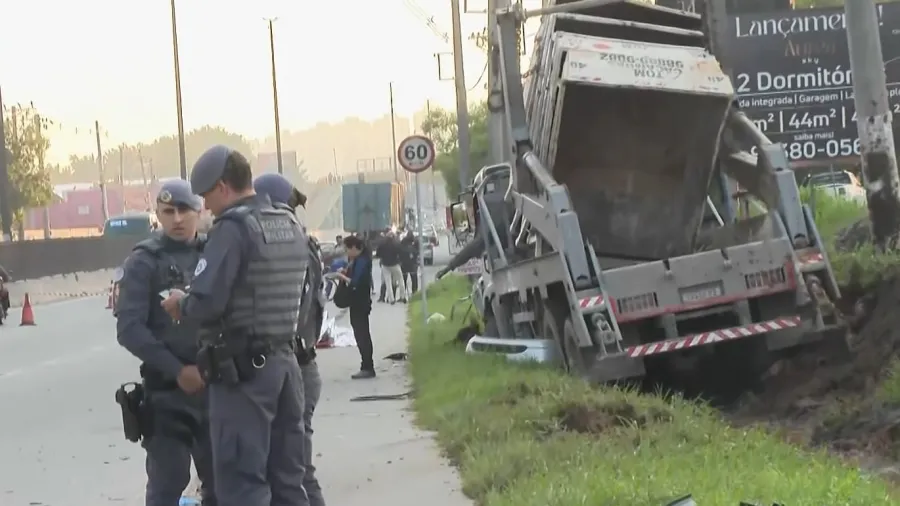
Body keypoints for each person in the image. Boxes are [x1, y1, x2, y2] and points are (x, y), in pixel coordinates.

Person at [160, 145, 310, 506]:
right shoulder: (288, 222)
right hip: (286, 368)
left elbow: (208, 302)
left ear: (223, 186)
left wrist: (181, 303)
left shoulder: (233, 228)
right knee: (289, 481)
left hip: (244, 377)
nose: (206, 206)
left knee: (243, 485)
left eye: (207, 196)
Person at [115, 180, 217, 506]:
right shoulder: (144, 261)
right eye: (168, 211)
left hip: (217, 388)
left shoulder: (215, 252)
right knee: (168, 482)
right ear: (157, 214)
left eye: (184, 210)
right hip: (167, 396)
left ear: (198, 211)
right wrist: (177, 371)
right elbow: (129, 328)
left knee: (222, 482)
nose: (177, 219)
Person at [252, 173, 326, 506]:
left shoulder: (293, 248)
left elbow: (295, 313)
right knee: (289, 470)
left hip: (295, 365)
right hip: (296, 365)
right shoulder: (299, 243)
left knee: (295, 472)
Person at [333, 235, 375, 379]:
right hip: (358, 302)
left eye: (347, 249)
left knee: (362, 334)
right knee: (360, 333)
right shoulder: (356, 261)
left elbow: (356, 282)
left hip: (360, 302)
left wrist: (342, 277)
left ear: (355, 248)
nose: (347, 252)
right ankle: (366, 365)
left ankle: (367, 366)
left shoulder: (362, 261)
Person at [375, 230, 406, 304]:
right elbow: (401, 252)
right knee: (400, 279)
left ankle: (391, 299)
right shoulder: (396, 243)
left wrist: (382, 256)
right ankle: (403, 296)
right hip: (395, 264)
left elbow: (378, 254)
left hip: (385, 264)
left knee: (388, 282)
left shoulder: (382, 243)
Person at [400, 230, 419, 295]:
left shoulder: (403, 241)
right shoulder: (415, 241)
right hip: (412, 262)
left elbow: (400, 251)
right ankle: (414, 291)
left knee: (404, 278)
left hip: (405, 262)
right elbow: (417, 251)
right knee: (414, 277)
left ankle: (403, 292)